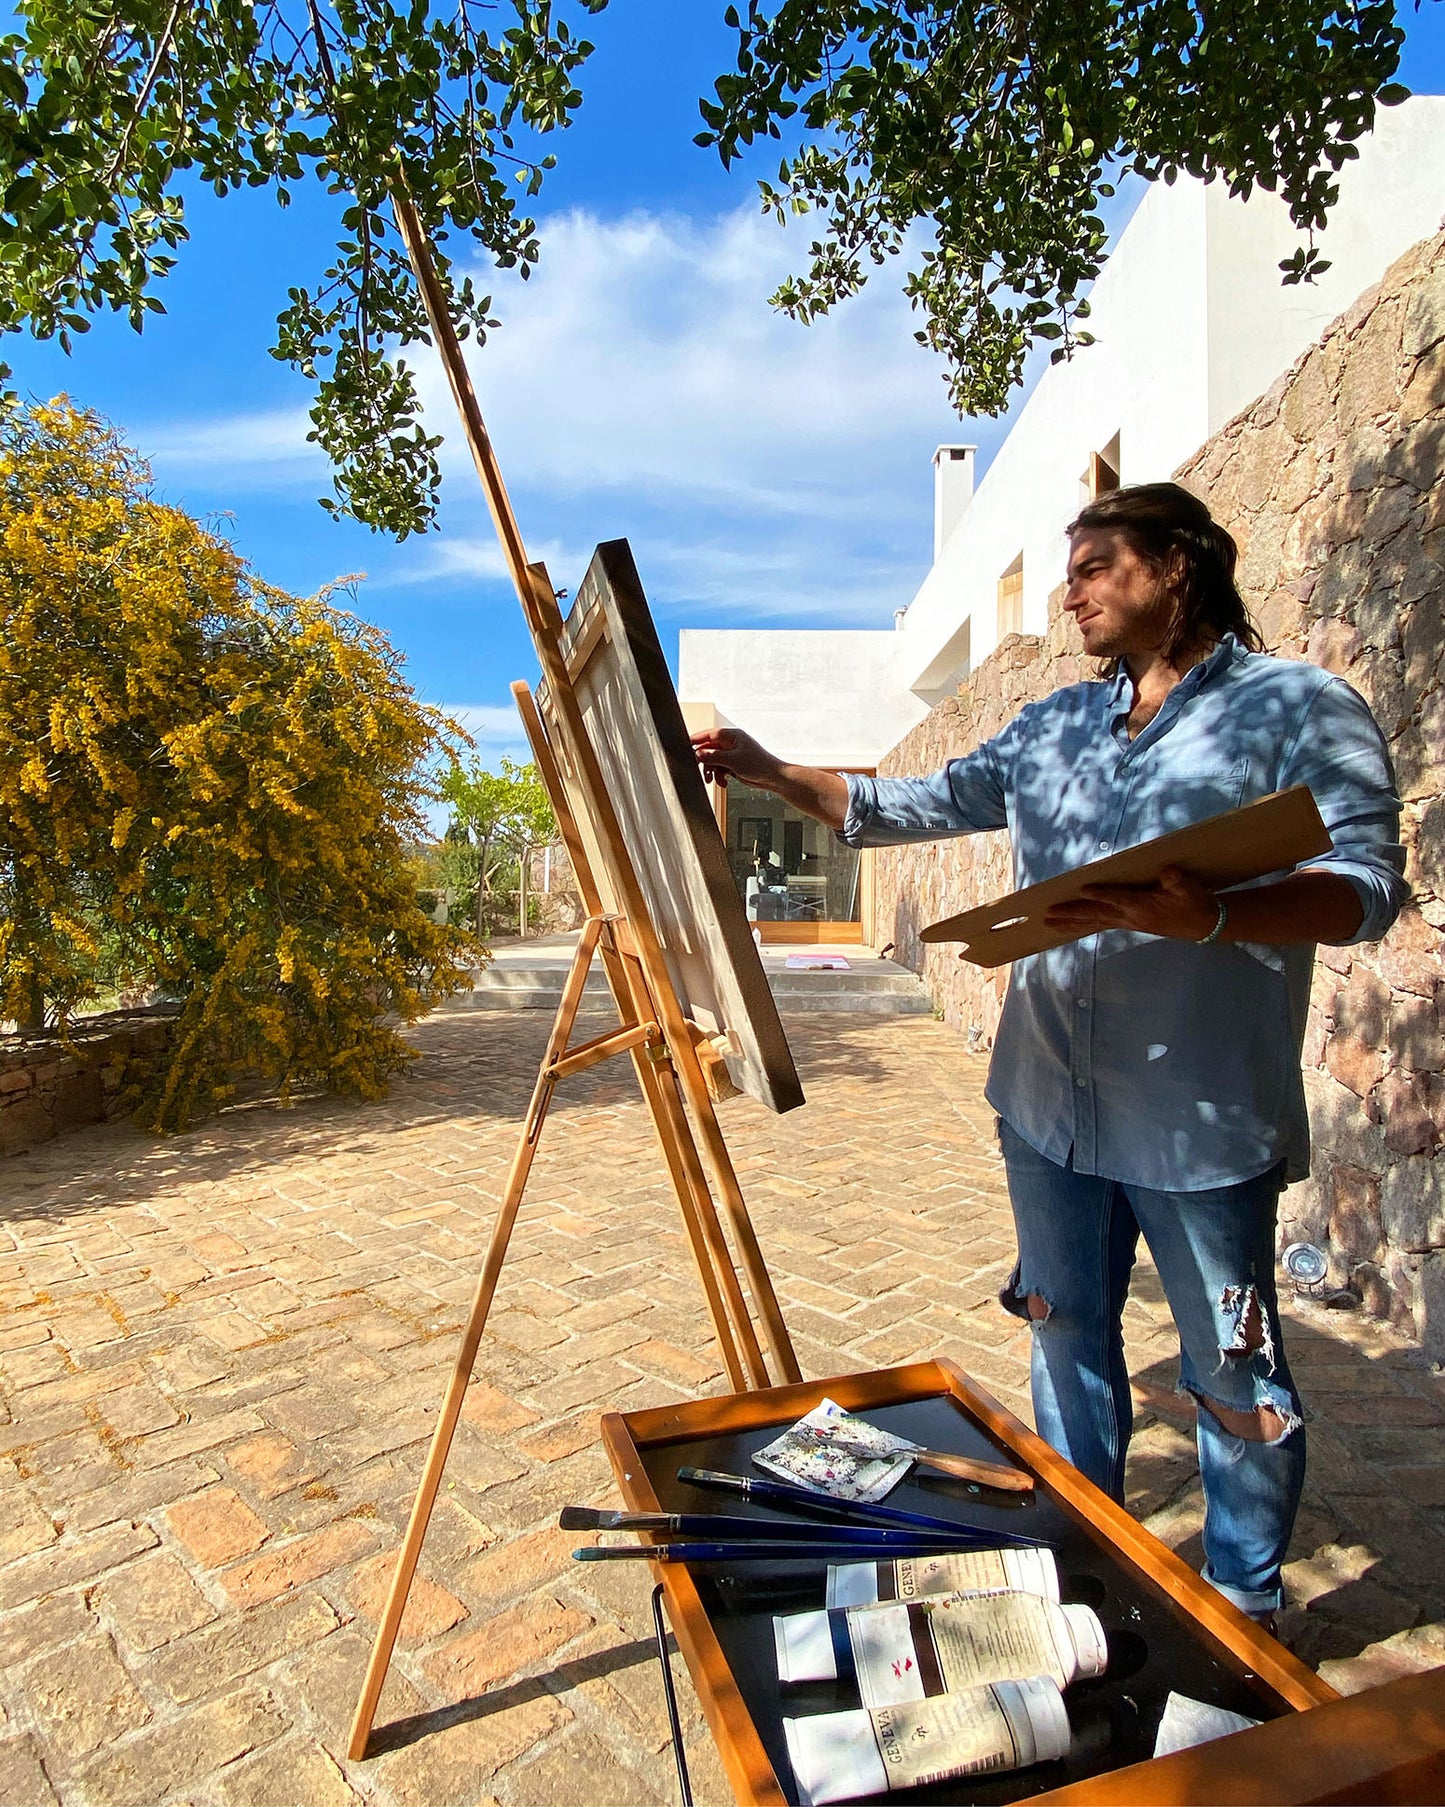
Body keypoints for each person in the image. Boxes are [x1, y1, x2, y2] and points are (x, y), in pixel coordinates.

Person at [692, 482, 1408, 1624]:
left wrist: (1216, 916)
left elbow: (1366, 892)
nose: (1068, 590)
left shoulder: (1298, 709)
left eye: (1091, 566)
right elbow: (908, 800)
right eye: (1066, 569)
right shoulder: (1052, 726)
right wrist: (768, 764)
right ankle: (1082, 1566)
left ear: (1175, 566)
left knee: (1232, 1368)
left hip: (1198, 1121)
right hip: (1043, 1106)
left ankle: (1242, 1612)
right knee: (1063, 1335)